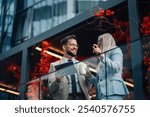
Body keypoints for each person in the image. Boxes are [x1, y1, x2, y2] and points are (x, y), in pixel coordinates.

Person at [86, 33, 129, 100]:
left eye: (100, 41)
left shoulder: (115, 50)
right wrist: (88, 75)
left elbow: (117, 67)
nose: (98, 44)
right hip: (101, 95)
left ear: (106, 41)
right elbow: (99, 82)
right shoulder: (102, 58)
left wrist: (101, 55)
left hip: (113, 92)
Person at [48, 35, 91, 100]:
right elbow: (51, 89)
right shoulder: (54, 65)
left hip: (82, 99)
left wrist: (89, 77)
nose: (75, 47)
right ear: (64, 47)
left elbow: (88, 87)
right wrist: (57, 80)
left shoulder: (82, 64)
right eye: (72, 45)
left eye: (76, 45)